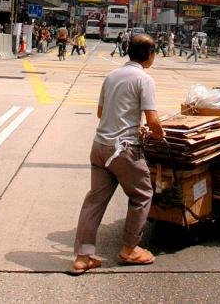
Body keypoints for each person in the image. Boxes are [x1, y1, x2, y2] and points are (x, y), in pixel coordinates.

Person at [71, 34, 165, 274]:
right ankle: (129, 248)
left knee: (94, 201)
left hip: (99, 147)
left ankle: (83, 257)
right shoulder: (144, 79)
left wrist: (132, 123)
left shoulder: (112, 76)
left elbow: (101, 113)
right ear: (149, 54)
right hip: (123, 149)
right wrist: (159, 135)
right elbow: (153, 119)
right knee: (143, 194)